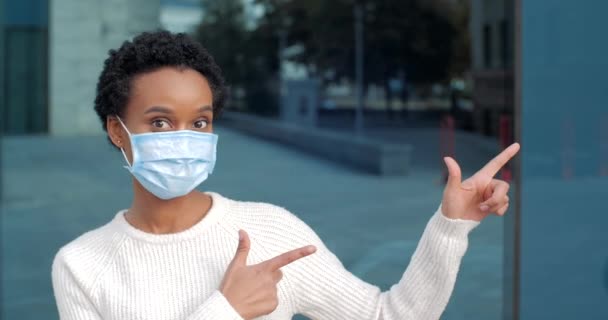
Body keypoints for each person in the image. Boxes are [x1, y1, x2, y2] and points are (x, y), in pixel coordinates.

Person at [51, 30, 520, 320]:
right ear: (117, 130)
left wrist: (450, 227)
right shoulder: (82, 265)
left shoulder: (269, 231)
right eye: (159, 122)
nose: (184, 138)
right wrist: (226, 311)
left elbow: (388, 316)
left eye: (200, 122)